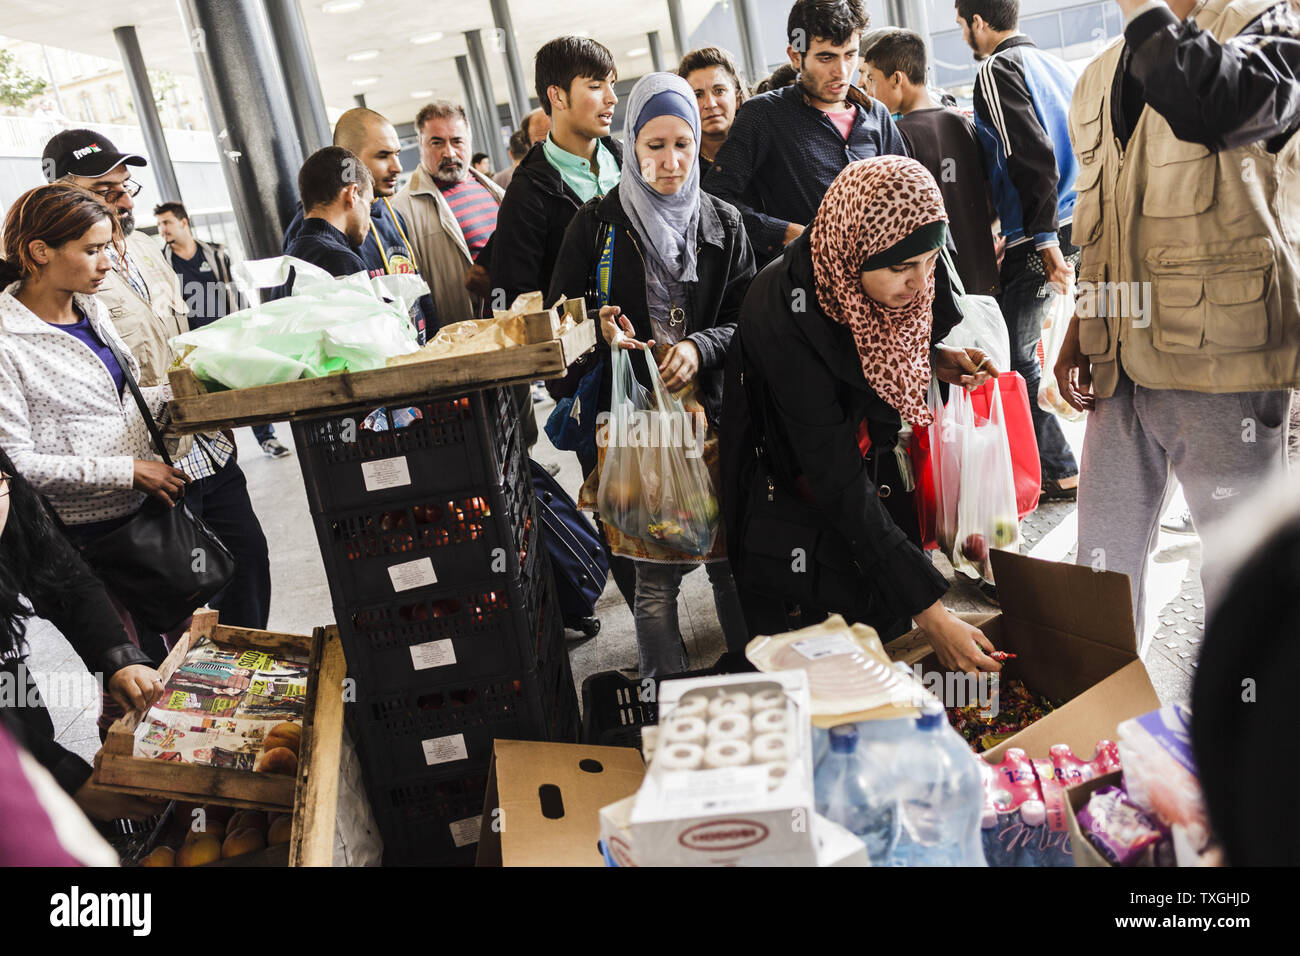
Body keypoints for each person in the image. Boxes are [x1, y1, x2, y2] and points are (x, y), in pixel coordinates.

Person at [1054, 0, 1300, 638]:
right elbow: (1100, 227)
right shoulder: (1098, 76)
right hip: (1117, 364)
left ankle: (1252, 731)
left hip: (1222, 363)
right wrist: (1083, 323)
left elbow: (1212, 104)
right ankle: (1108, 723)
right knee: (1101, 569)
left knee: (1240, 578)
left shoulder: (1267, 27)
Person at [721, 156, 1002, 670]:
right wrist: (934, 618)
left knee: (884, 630)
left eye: (931, 262)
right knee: (818, 659)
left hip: (861, 479)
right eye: (901, 267)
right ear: (855, 254)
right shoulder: (785, 310)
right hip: (792, 495)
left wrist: (933, 359)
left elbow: (878, 347)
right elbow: (834, 477)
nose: (921, 284)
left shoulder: (900, 273)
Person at [549, 73, 757, 675]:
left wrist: (700, 346)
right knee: (653, 581)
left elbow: (748, 320)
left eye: (682, 144)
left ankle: (747, 681)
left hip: (712, 417)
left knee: (727, 566)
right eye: (654, 146)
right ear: (632, 147)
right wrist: (600, 330)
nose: (669, 162)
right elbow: (560, 323)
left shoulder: (724, 223)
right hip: (637, 423)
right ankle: (664, 697)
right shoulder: (596, 225)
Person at [42, 131, 273, 639]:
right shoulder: (60, 276)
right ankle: (196, 700)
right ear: (61, 195)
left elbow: (178, 336)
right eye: (105, 191)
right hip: (149, 475)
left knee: (248, 566)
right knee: (180, 604)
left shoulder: (147, 248)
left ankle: (243, 685)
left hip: (206, 450)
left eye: (126, 188)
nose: (124, 201)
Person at [0, 183, 194, 734]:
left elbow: (124, 400)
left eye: (109, 247)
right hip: (78, 541)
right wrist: (127, 469)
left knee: (183, 659)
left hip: (141, 520)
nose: (108, 262)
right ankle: (127, 799)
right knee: (126, 674)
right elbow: (15, 462)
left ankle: (189, 771)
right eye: (92, 249)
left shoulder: (90, 309)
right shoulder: (6, 338)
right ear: (40, 252)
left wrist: (194, 394)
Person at [956, 0, 1081, 499]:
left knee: (1014, 354)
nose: (965, 35)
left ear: (978, 24)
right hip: (1079, 220)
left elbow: (1028, 153)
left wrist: (1045, 240)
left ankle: (1057, 467)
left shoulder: (996, 67)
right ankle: (1059, 464)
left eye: (962, 26)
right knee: (1036, 348)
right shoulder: (1056, 64)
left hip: (1039, 232)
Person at [0, 446, 165, 824]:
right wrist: (66, 777)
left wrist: (119, 658)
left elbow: (62, 580)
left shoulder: (11, 504)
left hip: (7, 677)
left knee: (27, 713)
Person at [494, 36, 624, 457]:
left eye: (612, 84)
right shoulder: (529, 192)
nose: (611, 98)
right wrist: (582, 330)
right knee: (617, 502)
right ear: (557, 96)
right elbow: (515, 300)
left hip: (656, 355)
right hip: (591, 379)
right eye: (595, 85)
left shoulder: (627, 161)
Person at [704, 0, 907, 266]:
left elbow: (908, 198)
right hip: (808, 291)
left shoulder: (876, 115)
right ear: (795, 56)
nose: (841, 71)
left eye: (849, 55)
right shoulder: (763, 115)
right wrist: (784, 233)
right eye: (826, 57)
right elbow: (714, 199)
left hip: (885, 283)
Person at [860, 28, 1000, 295]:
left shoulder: (899, 138)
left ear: (897, 79)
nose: (868, 90)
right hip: (984, 272)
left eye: (871, 79)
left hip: (941, 284)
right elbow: (991, 199)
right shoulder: (961, 122)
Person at [281, 108, 434, 341]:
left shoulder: (392, 214)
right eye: (383, 156)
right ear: (349, 163)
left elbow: (418, 293)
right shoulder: (316, 232)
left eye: (397, 153)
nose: (397, 167)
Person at [155, 201, 290, 460]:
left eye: (167, 222)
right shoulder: (163, 262)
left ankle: (267, 438)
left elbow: (233, 290)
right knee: (206, 394)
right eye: (160, 224)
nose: (163, 229)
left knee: (244, 385)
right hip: (193, 339)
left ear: (183, 222)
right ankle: (220, 451)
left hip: (227, 332)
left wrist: (246, 323)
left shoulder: (215, 254)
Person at [391, 101, 505, 327]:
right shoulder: (401, 210)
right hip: (461, 338)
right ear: (420, 144)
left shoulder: (496, 193)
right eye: (437, 143)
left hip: (512, 325)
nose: (449, 152)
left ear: (469, 141)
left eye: (457, 141)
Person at [286, 146, 377, 278]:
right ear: (352, 194)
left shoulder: (290, 257)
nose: (369, 220)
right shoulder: (340, 259)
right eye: (369, 204)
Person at [677, 46, 749, 178]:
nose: (710, 104)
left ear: (738, 98)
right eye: (698, 95)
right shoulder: (679, 166)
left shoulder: (761, 152)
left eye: (719, 91)